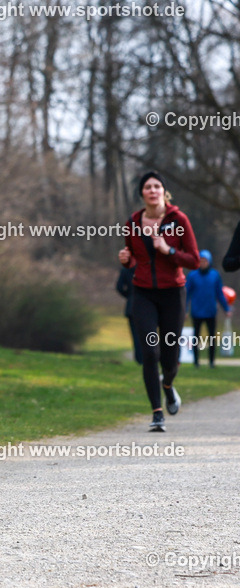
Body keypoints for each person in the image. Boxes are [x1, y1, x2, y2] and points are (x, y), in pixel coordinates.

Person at [118, 171, 199, 432]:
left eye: (157, 186)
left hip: (173, 293)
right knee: (149, 352)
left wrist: (169, 251)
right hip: (143, 293)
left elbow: (194, 260)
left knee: (169, 355)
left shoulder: (179, 219)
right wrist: (125, 260)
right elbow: (133, 258)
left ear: (164, 192)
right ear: (142, 193)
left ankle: (168, 386)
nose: (152, 191)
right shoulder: (132, 222)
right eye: (148, 187)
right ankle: (156, 413)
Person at [185, 250, 232, 367]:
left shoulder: (215, 275)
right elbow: (186, 294)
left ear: (209, 262)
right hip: (196, 312)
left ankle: (211, 362)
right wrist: (185, 309)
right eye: (200, 261)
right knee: (196, 337)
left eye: (205, 261)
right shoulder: (192, 275)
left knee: (212, 338)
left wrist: (226, 308)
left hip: (211, 311)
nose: (202, 263)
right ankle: (196, 362)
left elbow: (219, 294)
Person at [115, 265, 143, 364]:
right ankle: (149, 356)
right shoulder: (146, 267)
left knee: (135, 335)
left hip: (131, 306)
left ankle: (139, 358)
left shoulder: (126, 269)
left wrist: (129, 295)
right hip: (147, 305)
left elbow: (119, 287)